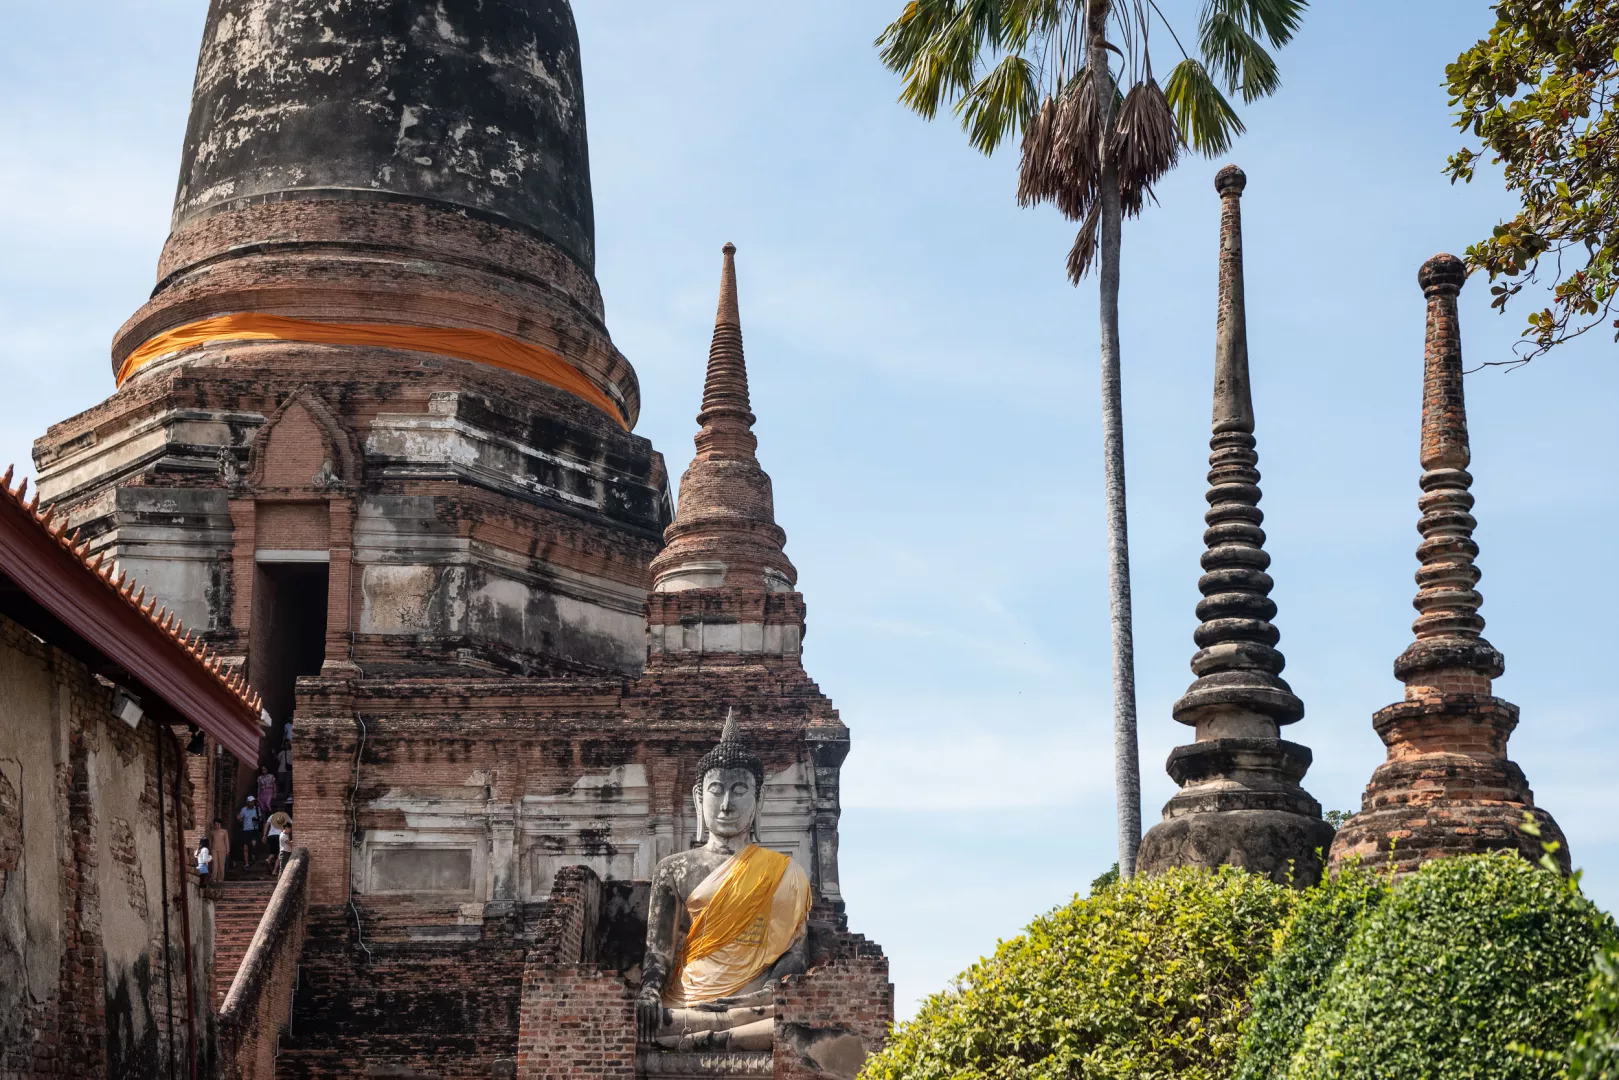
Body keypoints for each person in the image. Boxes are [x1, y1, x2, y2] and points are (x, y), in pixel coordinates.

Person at [637, 711, 809, 1051]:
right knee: (644, 1026)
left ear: (759, 799)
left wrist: (769, 992)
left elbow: (796, 954)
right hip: (686, 1005)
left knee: (789, 1026)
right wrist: (649, 992)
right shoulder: (674, 869)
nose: (727, 805)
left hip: (755, 1006)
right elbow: (658, 952)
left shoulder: (786, 872)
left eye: (739, 790)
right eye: (716, 790)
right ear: (699, 798)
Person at [236, 796, 260, 870]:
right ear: (248, 802)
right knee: (245, 847)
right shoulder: (243, 809)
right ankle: (246, 863)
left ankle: (253, 856)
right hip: (246, 830)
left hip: (254, 829)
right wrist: (239, 818)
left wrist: (257, 819)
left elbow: (261, 818)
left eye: (253, 802)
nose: (252, 803)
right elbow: (240, 819)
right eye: (251, 802)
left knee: (253, 845)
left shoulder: (257, 809)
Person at [209, 817, 231, 884]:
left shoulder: (224, 831)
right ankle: (214, 878)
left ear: (220, 824)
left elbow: (226, 841)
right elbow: (210, 841)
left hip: (222, 850)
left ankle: (220, 878)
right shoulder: (212, 832)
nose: (217, 826)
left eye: (218, 824)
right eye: (215, 824)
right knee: (214, 865)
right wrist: (209, 849)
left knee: (221, 865)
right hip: (214, 849)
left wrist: (227, 850)